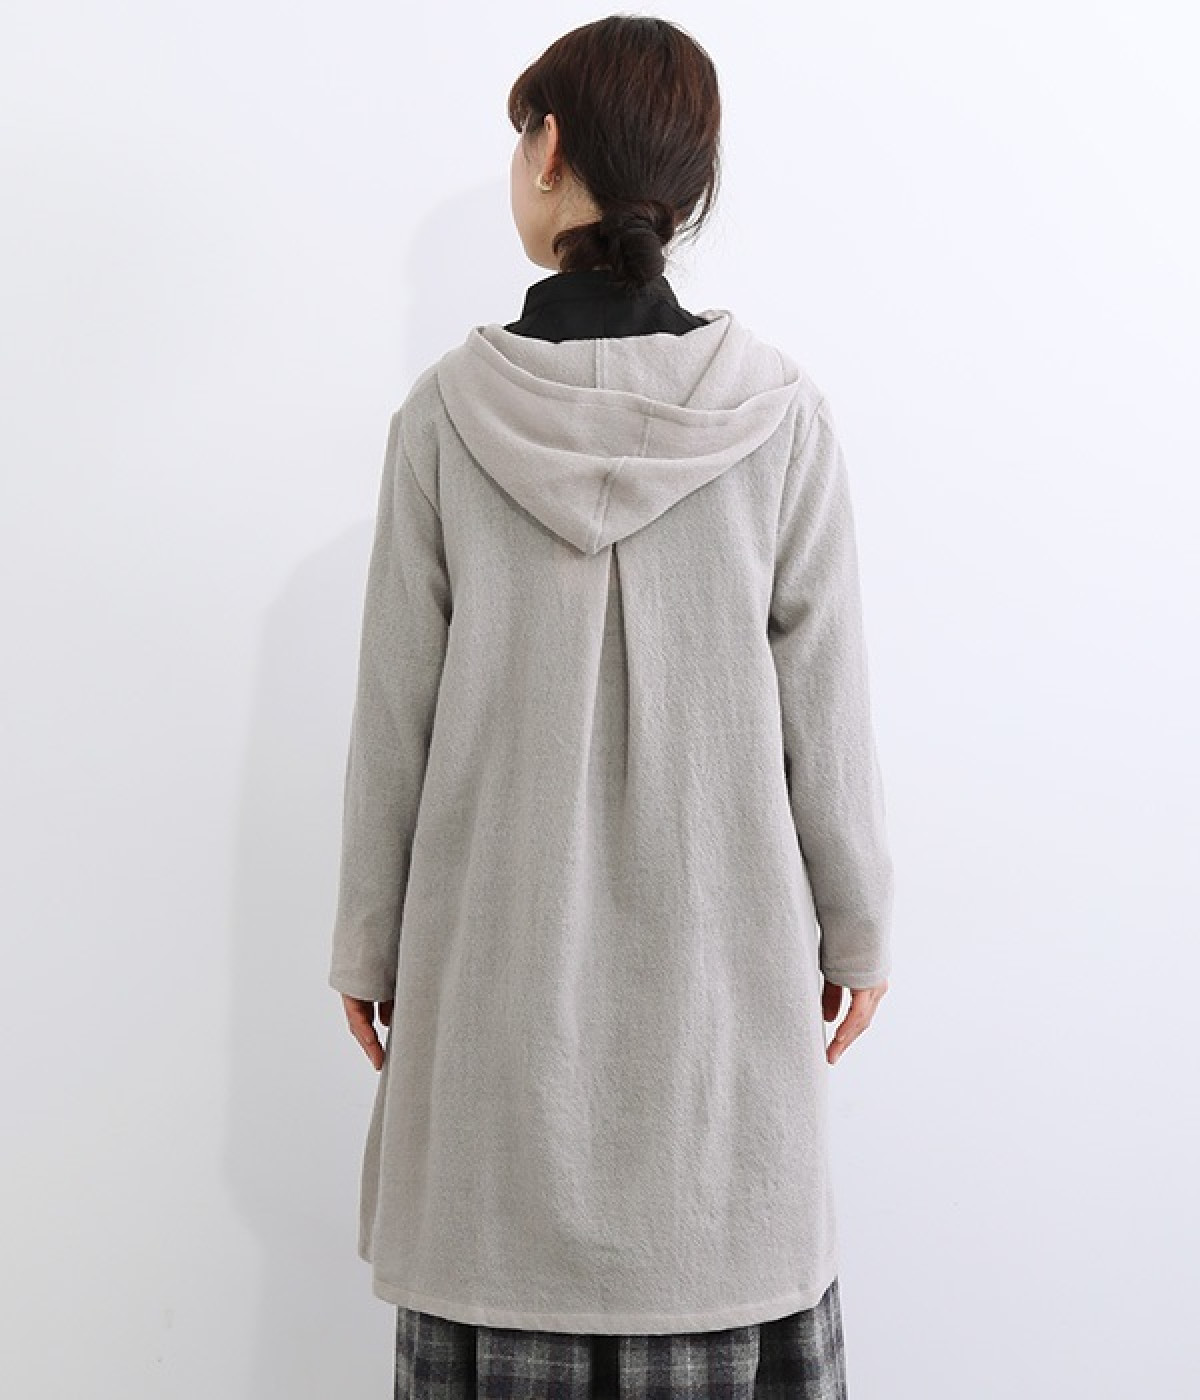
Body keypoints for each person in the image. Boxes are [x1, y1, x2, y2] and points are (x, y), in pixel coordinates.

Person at [328, 15, 894, 1399]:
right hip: (716, 1025)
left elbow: (393, 718)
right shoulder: (779, 418)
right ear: (686, 188)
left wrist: (367, 943)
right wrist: (859, 926)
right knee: (724, 1252)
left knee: (490, 1264)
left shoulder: (447, 418)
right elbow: (825, 711)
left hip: (493, 1012)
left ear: (550, 151)